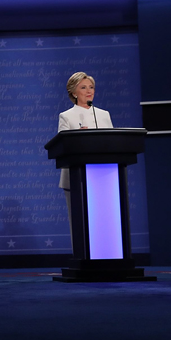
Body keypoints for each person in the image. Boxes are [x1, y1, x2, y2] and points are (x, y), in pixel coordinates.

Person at [57, 72, 114, 243]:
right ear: (74, 92)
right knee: (79, 221)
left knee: (104, 221)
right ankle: (81, 257)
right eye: (83, 87)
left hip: (103, 176)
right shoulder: (66, 116)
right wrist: (77, 139)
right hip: (76, 177)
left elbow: (114, 143)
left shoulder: (104, 115)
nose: (89, 91)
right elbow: (62, 147)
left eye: (91, 87)